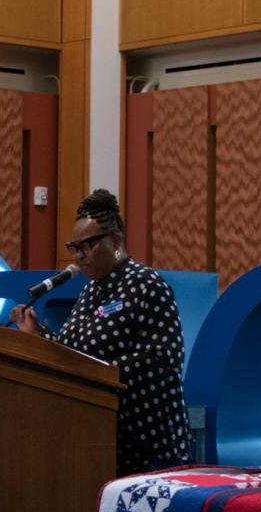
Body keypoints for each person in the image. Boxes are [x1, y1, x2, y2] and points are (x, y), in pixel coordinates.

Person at [11, 189, 191, 477]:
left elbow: (162, 358)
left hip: (149, 448)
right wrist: (39, 337)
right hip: (97, 440)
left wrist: (96, 373)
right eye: (74, 247)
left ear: (116, 242)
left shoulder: (146, 284)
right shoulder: (90, 292)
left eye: (88, 245)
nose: (79, 256)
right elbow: (73, 353)